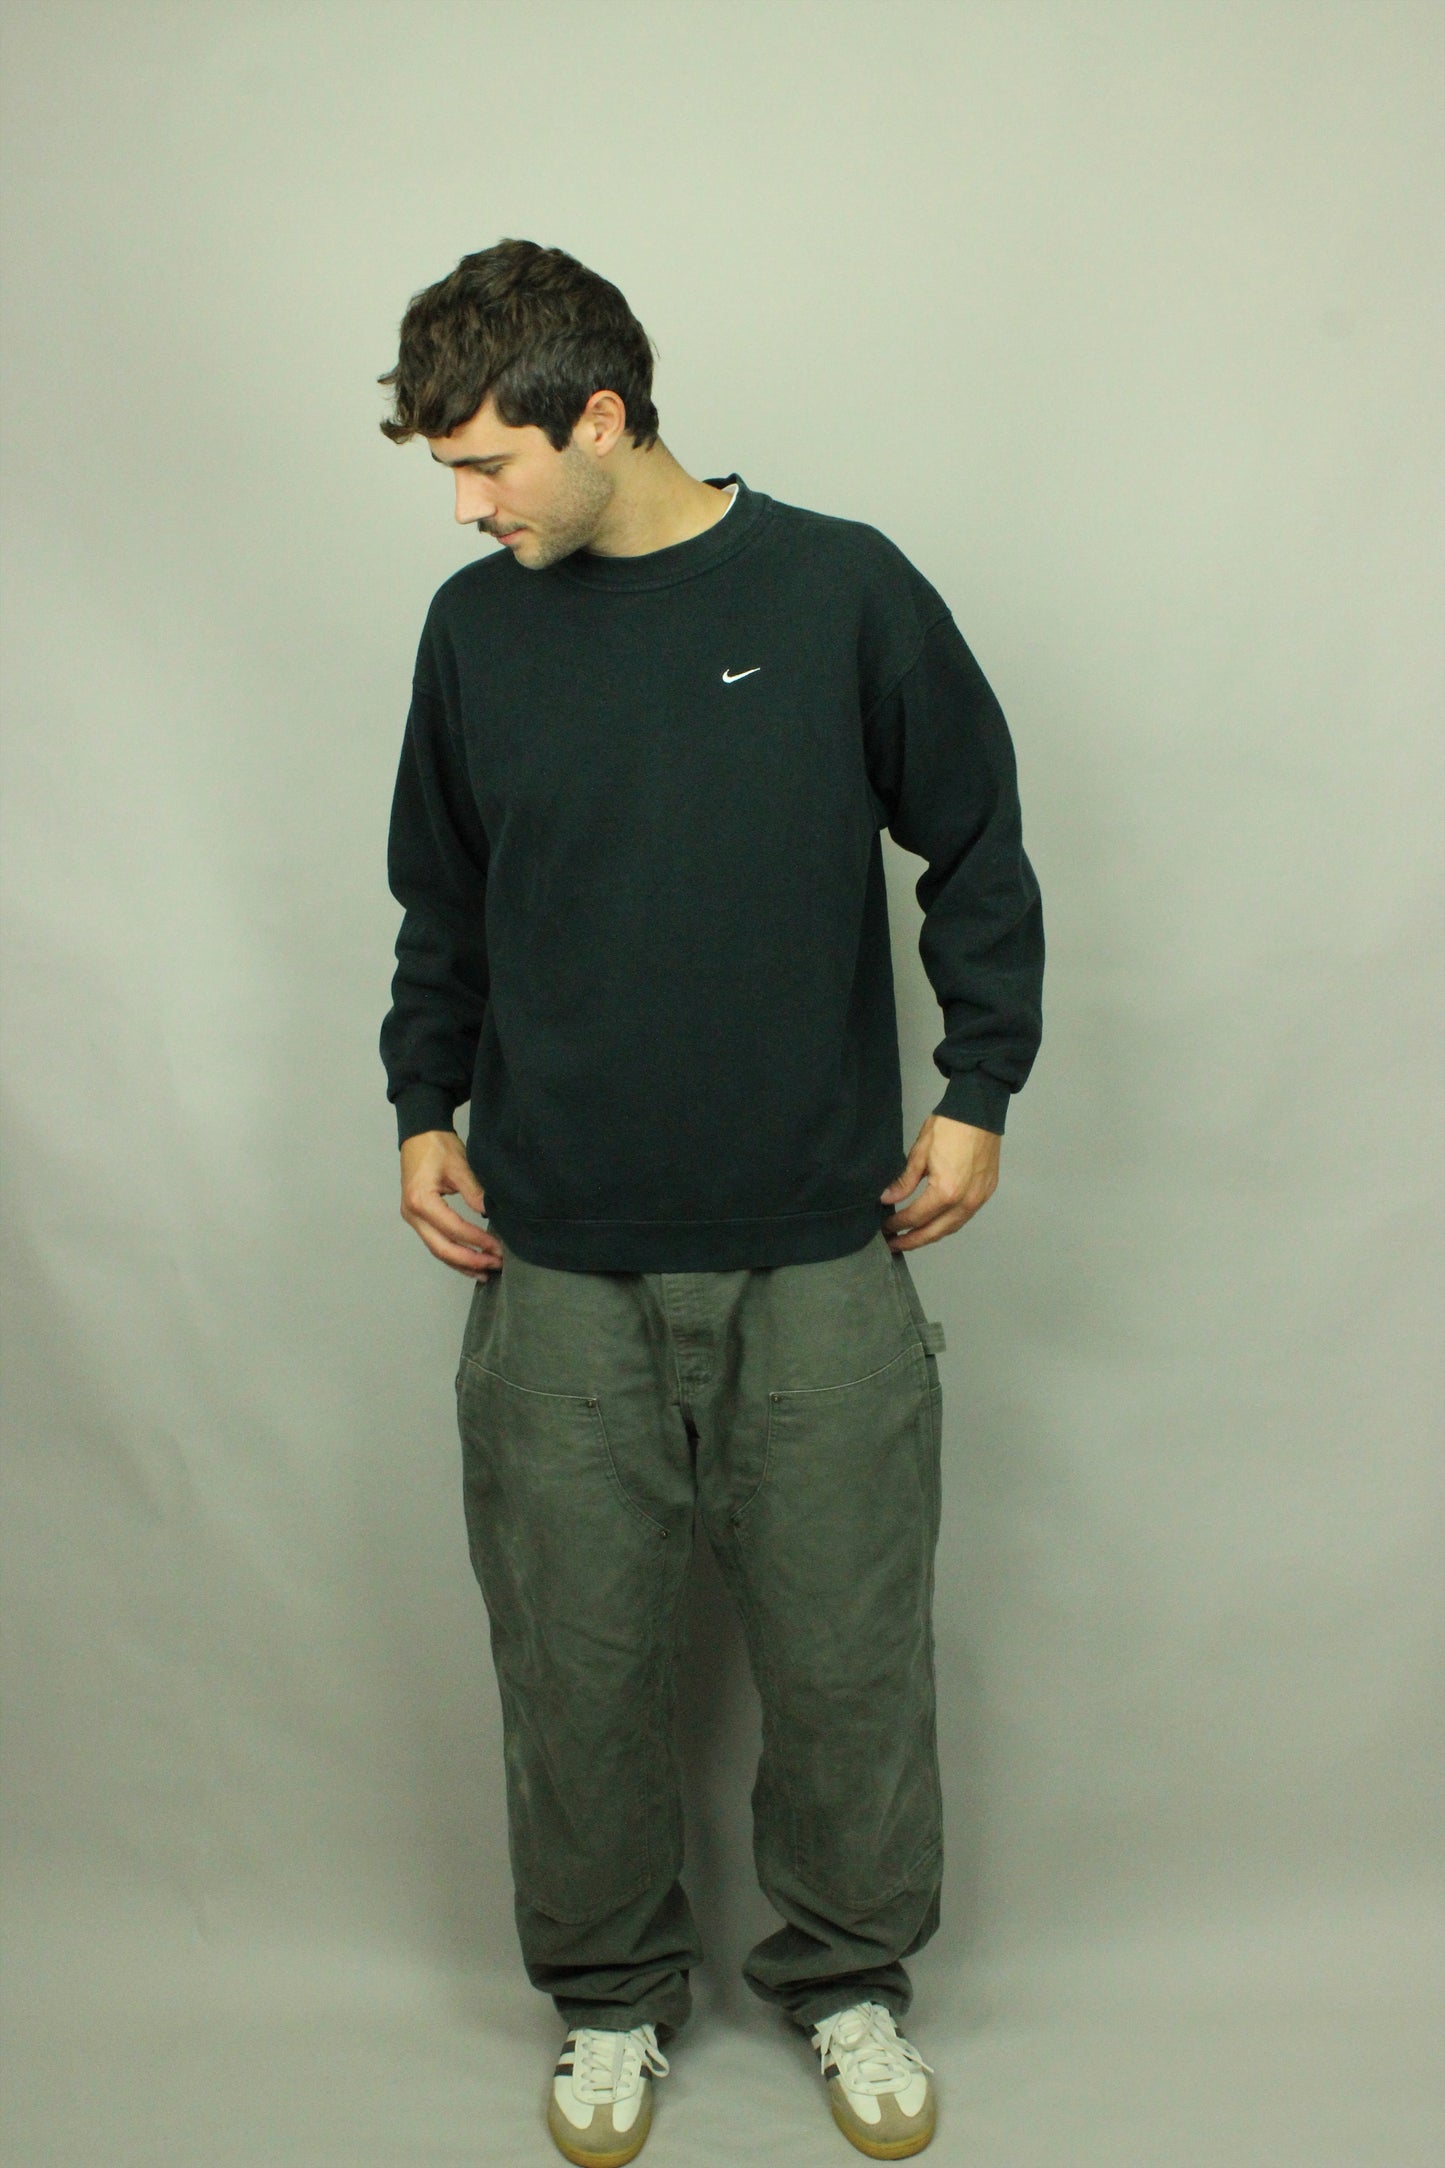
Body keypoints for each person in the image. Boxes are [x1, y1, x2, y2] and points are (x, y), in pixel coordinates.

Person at [376, 237, 1044, 2166]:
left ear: (601, 417)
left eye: (486, 463)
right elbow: (442, 896)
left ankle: (848, 1981)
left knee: (847, 1661)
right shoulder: (472, 630)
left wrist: (978, 1086)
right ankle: (607, 2007)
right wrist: (421, 1105)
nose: (466, 505)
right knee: (575, 1671)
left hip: (820, 1241)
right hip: (556, 1253)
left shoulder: (841, 590)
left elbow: (977, 839)